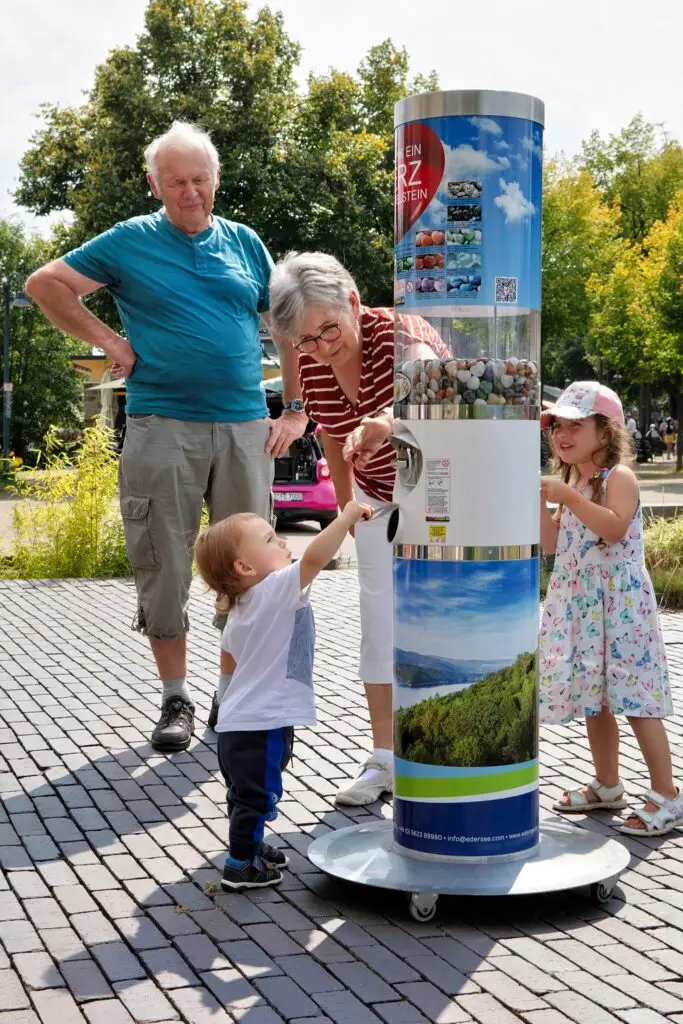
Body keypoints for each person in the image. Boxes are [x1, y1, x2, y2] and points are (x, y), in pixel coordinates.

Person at [25, 122, 307, 754]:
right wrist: (109, 341)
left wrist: (295, 408)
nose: (190, 192)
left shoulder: (244, 242)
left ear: (216, 179)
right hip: (162, 426)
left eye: (199, 179)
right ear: (155, 184)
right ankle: (175, 695)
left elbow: (285, 326)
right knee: (164, 562)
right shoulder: (129, 240)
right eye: (175, 181)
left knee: (252, 569)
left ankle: (232, 694)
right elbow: (44, 283)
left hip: (243, 427)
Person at [269, 251, 449, 807]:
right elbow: (328, 435)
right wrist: (349, 509)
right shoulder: (313, 361)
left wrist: (390, 423)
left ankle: (439, 752)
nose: (322, 347)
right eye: (306, 341)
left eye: (329, 329)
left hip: (440, 494)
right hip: (376, 499)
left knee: (440, 620)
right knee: (378, 624)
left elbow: (435, 397)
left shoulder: (402, 335)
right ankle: (384, 758)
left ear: (352, 301)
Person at [194, 500, 372, 889]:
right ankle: (240, 864)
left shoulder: (241, 605)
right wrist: (345, 517)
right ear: (245, 567)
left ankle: (252, 847)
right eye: (271, 539)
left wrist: (223, 708)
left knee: (246, 793)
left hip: (241, 724)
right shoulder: (274, 589)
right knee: (256, 797)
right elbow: (315, 558)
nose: (283, 541)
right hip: (260, 724)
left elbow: (228, 663)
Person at [539, 380, 681, 836]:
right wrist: (540, 501)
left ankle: (669, 794)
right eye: (556, 426)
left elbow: (616, 528)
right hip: (583, 605)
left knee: (636, 698)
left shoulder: (616, 478)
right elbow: (552, 542)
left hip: (620, 608)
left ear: (606, 431)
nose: (561, 435)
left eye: (574, 426)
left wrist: (571, 500)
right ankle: (607, 784)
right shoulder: (573, 481)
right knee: (594, 700)